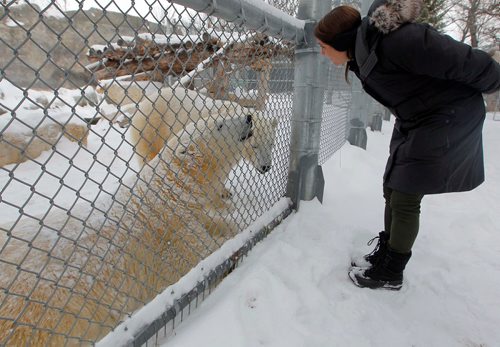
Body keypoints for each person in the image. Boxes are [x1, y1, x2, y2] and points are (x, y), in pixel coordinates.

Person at [314, 0, 500, 290]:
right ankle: (386, 256)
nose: (322, 54)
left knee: (405, 194)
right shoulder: (364, 54)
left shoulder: (397, 42)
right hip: (419, 115)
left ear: (339, 41)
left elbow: (460, 59)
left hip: (447, 114)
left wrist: (495, 80)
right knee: (393, 186)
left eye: (323, 47)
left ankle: (391, 272)